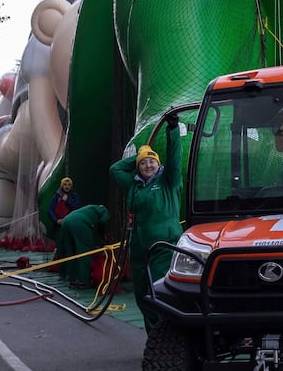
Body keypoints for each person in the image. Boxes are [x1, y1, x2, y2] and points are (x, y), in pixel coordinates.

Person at [109, 114, 185, 330]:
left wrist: (172, 129)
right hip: (139, 249)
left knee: (158, 291)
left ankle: (166, 335)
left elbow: (174, 157)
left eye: (152, 161)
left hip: (164, 245)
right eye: (144, 163)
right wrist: (140, 154)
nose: (148, 165)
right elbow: (115, 169)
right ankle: (154, 337)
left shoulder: (168, 181)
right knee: (142, 295)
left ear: (158, 164)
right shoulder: (133, 186)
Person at [53, 203, 109, 287]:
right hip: (81, 223)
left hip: (66, 221)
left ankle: (71, 277)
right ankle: (84, 280)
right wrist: (102, 234)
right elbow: (103, 220)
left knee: (70, 251)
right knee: (84, 252)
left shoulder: (88, 208)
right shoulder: (104, 210)